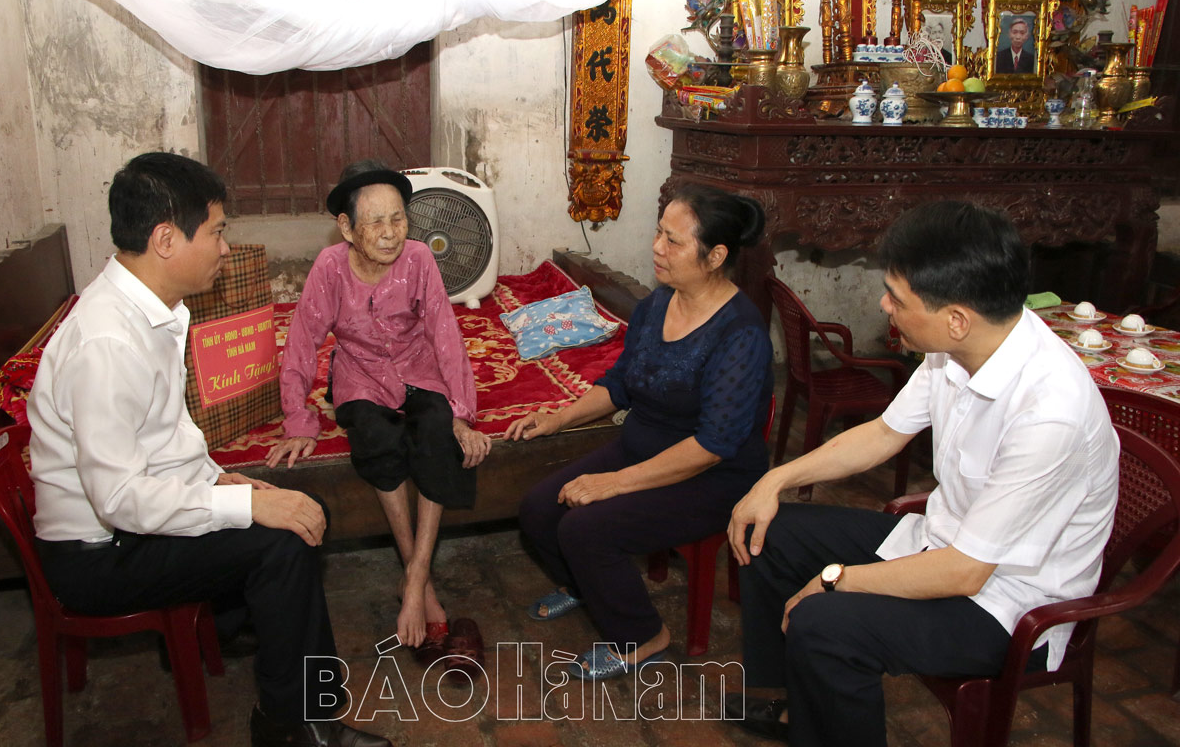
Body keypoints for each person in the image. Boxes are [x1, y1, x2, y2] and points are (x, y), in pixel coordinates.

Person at [27, 152, 389, 747]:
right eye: (218, 231)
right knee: (279, 545)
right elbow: (118, 498)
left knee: (289, 501)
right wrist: (246, 509)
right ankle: (293, 726)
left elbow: (168, 441)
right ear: (166, 239)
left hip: (132, 523)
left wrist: (230, 485)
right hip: (98, 554)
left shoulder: (152, 312)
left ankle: (237, 635)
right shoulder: (107, 342)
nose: (226, 248)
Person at [724, 201, 1119, 745]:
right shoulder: (959, 346)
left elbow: (966, 574)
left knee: (826, 624)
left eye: (897, 298)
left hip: (1008, 605)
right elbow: (885, 434)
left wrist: (837, 580)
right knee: (771, 534)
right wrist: (773, 481)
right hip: (943, 544)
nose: (884, 304)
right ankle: (801, 708)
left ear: (956, 317)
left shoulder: (1050, 410)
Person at [510, 184, 774, 680]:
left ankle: (643, 636)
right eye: (659, 233)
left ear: (716, 255)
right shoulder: (658, 304)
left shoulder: (740, 334)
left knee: (586, 527)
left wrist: (613, 483)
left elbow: (714, 445)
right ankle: (586, 587)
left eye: (673, 241)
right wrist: (556, 419)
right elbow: (620, 384)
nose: (657, 247)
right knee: (539, 509)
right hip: (642, 448)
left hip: (714, 478)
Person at [266, 159, 490, 668]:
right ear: (346, 228)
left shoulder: (419, 260)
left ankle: (412, 581)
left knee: (435, 433)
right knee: (375, 436)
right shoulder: (328, 268)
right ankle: (427, 590)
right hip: (360, 375)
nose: (390, 234)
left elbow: (445, 335)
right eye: (375, 222)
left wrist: (461, 411)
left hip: (418, 368)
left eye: (398, 219)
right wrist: (299, 419)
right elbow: (301, 344)